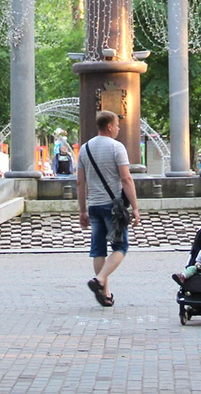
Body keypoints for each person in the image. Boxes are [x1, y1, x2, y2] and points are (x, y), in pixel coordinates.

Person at [77, 110, 141, 307]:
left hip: (94, 206)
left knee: (98, 249)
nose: (119, 129)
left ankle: (105, 294)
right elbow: (126, 178)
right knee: (121, 247)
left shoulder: (84, 149)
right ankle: (99, 279)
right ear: (110, 126)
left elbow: (80, 183)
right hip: (113, 207)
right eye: (117, 126)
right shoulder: (117, 147)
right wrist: (136, 208)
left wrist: (82, 210)